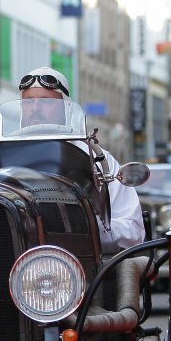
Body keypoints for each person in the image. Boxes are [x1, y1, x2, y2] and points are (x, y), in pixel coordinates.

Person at [16, 67, 143, 250]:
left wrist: (87, 225)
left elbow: (133, 231)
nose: (35, 108)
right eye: (28, 102)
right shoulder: (3, 155)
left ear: (66, 107)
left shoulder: (97, 159)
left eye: (45, 101)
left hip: (81, 259)